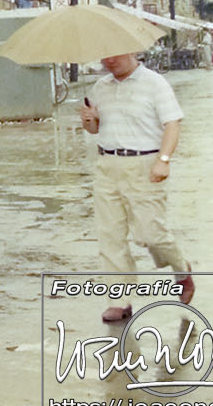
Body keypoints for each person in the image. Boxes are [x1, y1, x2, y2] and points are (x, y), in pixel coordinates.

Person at [77, 53, 193, 323]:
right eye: (105, 56)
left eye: (115, 55)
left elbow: (172, 124)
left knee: (151, 234)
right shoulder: (101, 87)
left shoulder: (154, 83)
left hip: (145, 165)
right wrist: (89, 119)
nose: (109, 61)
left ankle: (181, 268)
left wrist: (164, 160)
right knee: (110, 236)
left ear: (131, 50)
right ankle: (119, 300)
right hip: (107, 164)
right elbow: (95, 129)